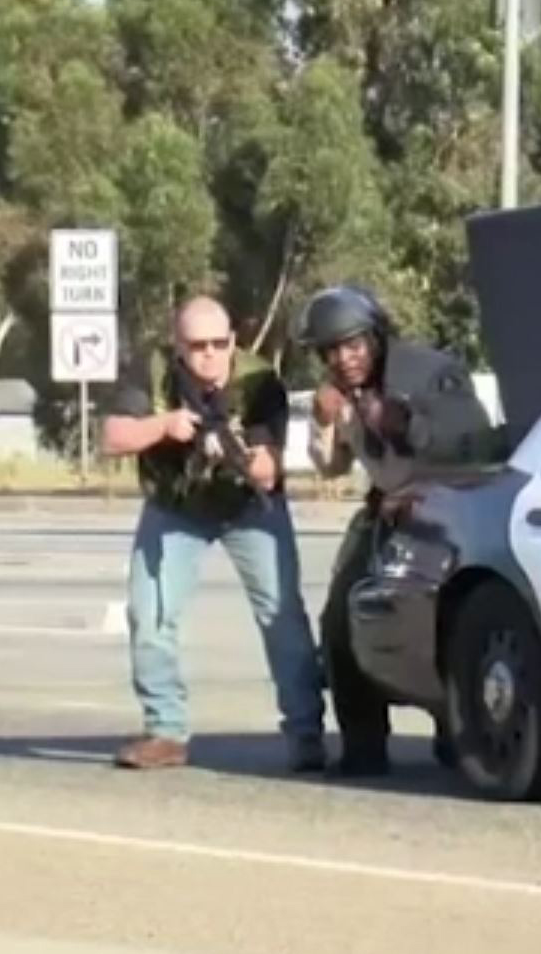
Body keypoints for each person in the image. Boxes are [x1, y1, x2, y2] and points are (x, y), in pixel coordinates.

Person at [102, 295, 327, 772]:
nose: (209, 354)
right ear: (178, 345)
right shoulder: (155, 370)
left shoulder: (260, 380)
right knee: (150, 611)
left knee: (281, 616)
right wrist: (166, 426)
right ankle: (164, 730)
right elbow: (113, 437)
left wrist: (235, 454)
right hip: (176, 506)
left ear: (233, 342)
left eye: (218, 343)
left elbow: (268, 471)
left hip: (248, 507)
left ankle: (306, 731)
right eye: (196, 344)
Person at [296, 284, 499, 776]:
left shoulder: (428, 373)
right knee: (342, 623)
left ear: (376, 337)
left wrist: (399, 421)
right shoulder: (342, 393)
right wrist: (327, 424)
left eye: (354, 345)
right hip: (384, 512)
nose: (345, 359)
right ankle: (363, 745)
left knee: (439, 625)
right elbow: (331, 467)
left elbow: (472, 441)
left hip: (448, 511)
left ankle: (460, 730)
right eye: (333, 351)